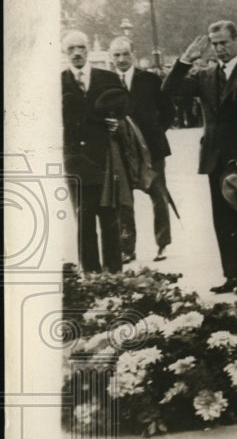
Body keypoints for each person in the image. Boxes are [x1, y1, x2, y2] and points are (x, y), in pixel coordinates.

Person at [162, 20, 237, 294]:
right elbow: (170, 89)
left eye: (224, 43)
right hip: (214, 157)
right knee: (222, 219)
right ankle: (231, 274)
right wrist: (185, 60)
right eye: (214, 44)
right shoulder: (205, 75)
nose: (219, 49)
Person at [61, 30, 123, 273]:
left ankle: (114, 274)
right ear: (65, 53)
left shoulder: (107, 78)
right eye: (71, 49)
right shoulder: (57, 82)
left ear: (88, 50)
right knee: (84, 223)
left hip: (105, 160)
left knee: (110, 221)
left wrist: (118, 125)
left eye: (81, 48)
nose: (77, 53)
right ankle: (92, 276)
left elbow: (124, 113)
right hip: (76, 163)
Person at [108, 36, 174, 263]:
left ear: (133, 55)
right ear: (110, 58)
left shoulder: (150, 80)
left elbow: (168, 111)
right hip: (122, 152)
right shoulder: (107, 82)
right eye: (116, 55)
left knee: (159, 195)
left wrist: (154, 133)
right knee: (124, 202)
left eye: (126, 54)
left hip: (152, 151)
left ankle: (162, 244)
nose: (122, 59)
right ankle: (128, 248)